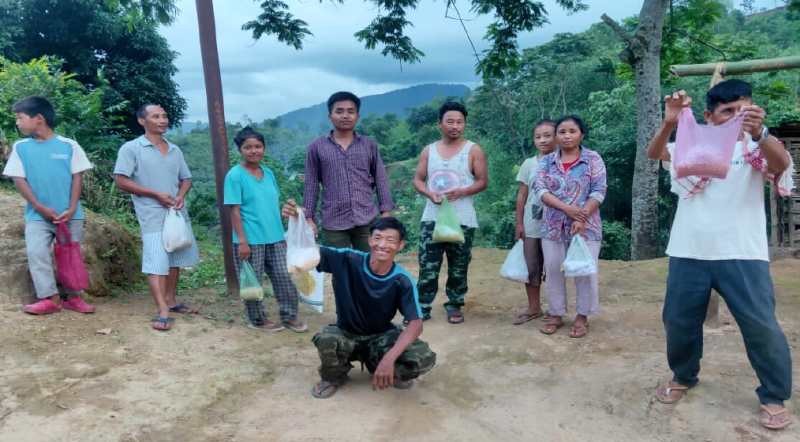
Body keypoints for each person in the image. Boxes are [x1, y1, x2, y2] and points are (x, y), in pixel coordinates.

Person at [647, 80, 795, 430]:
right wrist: (669, 122)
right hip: (688, 250)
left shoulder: (755, 146)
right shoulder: (691, 143)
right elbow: (656, 153)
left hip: (743, 252)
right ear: (708, 116)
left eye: (743, 110)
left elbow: (782, 163)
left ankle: (774, 396)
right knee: (678, 321)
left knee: (761, 326)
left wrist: (760, 134)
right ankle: (683, 376)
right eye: (727, 111)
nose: (736, 118)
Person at [282, 201, 436, 399]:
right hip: (346, 332)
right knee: (327, 338)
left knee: (422, 357)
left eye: (390, 240)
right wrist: (298, 220)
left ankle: (378, 363)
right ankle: (333, 376)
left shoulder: (402, 280)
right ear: (370, 240)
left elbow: (415, 324)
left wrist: (389, 358)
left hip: (380, 336)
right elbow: (309, 251)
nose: (382, 244)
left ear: (400, 245)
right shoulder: (348, 258)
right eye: (378, 238)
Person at [2, 96, 95, 315]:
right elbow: (19, 179)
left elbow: (77, 178)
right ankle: (50, 298)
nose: (17, 122)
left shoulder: (69, 146)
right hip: (37, 216)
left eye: (20, 117)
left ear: (39, 119)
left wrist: (72, 208)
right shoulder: (21, 147)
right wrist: (39, 206)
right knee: (37, 253)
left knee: (70, 254)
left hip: (70, 215)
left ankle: (74, 297)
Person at [113, 104, 200, 331]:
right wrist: (154, 194)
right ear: (142, 121)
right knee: (156, 262)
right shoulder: (132, 148)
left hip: (176, 213)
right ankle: (161, 309)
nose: (162, 120)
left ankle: (171, 301)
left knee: (175, 258)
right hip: (151, 214)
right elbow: (121, 180)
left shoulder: (174, 150)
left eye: (164, 116)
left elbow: (186, 179)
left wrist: (181, 196)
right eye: (156, 116)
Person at [224, 127, 306, 333]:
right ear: (240, 150)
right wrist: (242, 241)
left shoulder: (268, 173)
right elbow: (234, 210)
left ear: (264, 148)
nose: (254, 151)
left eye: (258, 146)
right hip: (250, 240)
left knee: (284, 277)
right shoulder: (234, 175)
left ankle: (290, 316)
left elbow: (269, 203)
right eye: (248, 147)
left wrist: (290, 212)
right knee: (252, 282)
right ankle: (257, 319)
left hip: (276, 237)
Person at [413, 101, 488, 324]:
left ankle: (454, 304)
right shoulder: (430, 150)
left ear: (464, 124)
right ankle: (422, 306)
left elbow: (483, 181)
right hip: (432, 217)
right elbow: (417, 179)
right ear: (440, 124)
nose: (455, 126)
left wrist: (463, 191)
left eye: (459, 122)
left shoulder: (473, 150)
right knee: (428, 264)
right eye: (450, 121)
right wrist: (429, 194)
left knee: (459, 264)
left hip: (462, 217)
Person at [533, 115, 606, 338]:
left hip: (586, 226)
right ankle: (556, 313)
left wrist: (580, 217)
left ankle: (583, 316)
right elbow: (541, 191)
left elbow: (598, 190)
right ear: (556, 136)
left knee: (584, 270)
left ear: (581, 134)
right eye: (562, 132)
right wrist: (567, 209)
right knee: (554, 269)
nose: (566, 136)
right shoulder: (546, 162)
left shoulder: (593, 159)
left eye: (572, 131)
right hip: (553, 226)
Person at [302, 91, 394, 251]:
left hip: (367, 218)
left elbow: (380, 178)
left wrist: (386, 211)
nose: (345, 116)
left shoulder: (368, 145)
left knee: (369, 267)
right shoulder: (316, 147)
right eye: (339, 111)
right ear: (330, 115)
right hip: (333, 221)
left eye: (350, 111)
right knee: (340, 270)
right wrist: (308, 218)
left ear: (357, 116)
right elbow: (311, 185)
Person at [512, 119, 557, 325]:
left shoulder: (562, 162)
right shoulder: (529, 164)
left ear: (557, 136)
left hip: (557, 224)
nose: (543, 140)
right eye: (538, 137)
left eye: (548, 135)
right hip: (532, 224)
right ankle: (534, 307)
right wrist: (519, 223)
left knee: (555, 266)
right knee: (532, 267)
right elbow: (522, 195)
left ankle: (556, 309)